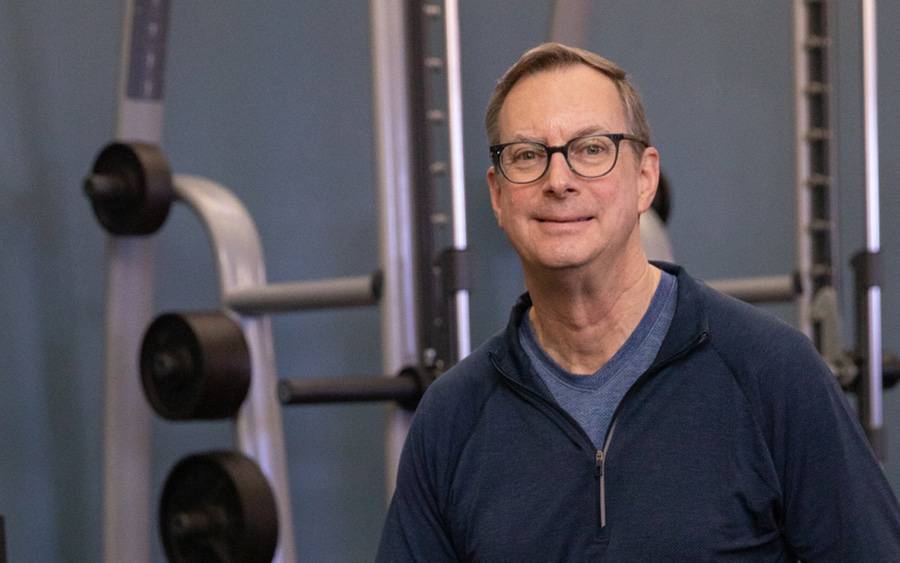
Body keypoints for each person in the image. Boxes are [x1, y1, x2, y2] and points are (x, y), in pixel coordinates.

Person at [377, 43, 900, 561]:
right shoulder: (452, 417)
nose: (558, 181)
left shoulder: (771, 372)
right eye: (528, 155)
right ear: (497, 195)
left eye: (591, 149)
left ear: (645, 178)